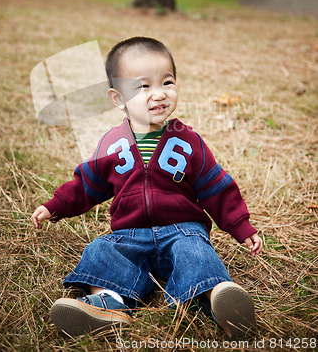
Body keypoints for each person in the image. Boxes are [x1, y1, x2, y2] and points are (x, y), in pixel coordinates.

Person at [31, 36, 262, 340]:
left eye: (167, 82)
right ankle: (108, 304)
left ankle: (217, 297)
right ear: (117, 98)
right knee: (101, 250)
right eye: (143, 87)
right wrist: (54, 205)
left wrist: (241, 226)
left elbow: (215, 186)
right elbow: (87, 184)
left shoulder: (187, 140)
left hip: (182, 229)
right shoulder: (112, 144)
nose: (159, 94)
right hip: (129, 234)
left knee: (196, 252)